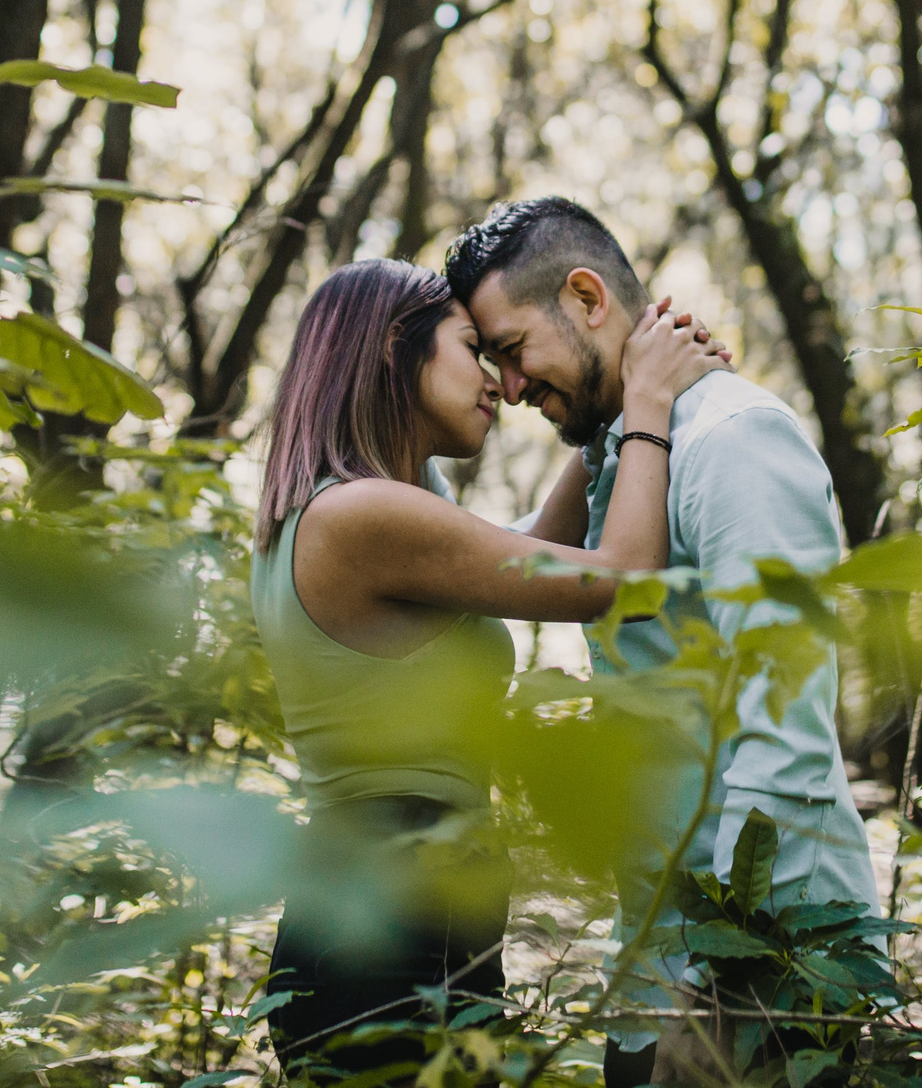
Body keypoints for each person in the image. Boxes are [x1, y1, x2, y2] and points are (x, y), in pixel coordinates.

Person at [250, 257, 729, 1078]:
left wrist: (605, 398)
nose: (500, 383)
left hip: (389, 908)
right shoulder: (363, 514)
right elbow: (621, 580)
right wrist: (647, 403)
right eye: (472, 347)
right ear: (394, 350)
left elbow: (540, 541)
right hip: (394, 919)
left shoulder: (350, 505)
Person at [443, 198, 880, 1088]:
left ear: (586, 297)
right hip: (651, 971)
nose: (512, 387)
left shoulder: (732, 440)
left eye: (514, 349)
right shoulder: (625, 453)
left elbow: (784, 733)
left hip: (756, 979)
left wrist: (734, 983)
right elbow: (512, 560)